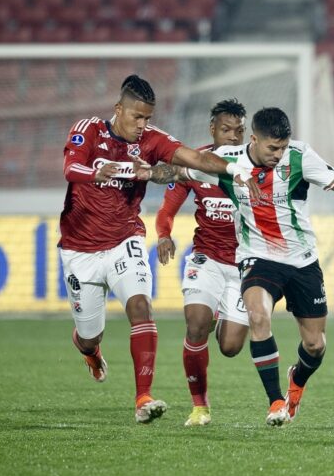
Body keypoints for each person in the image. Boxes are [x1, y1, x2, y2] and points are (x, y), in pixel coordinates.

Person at [59, 75, 254, 424]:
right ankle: (89, 350)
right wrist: (102, 171)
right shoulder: (88, 129)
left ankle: (143, 398)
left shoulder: (152, 140)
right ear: (119, 109)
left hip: (125, 240)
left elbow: (193, 159)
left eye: (147, 118)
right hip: (80, 248)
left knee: (141, 306)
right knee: (90, 334)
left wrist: (233, 170)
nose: (142, 125)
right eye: (136, 117)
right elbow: (71, 169)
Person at [184, 107, 334, 426]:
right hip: (259, 258)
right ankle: (275, 402)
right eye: (272, 148)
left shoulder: (299, 155)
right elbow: (182, 165)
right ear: (254, 139)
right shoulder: (229, 158)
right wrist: (145, 166)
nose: (279, 154)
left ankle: (297, 379)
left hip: (302, 261)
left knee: (315, 344)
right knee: (258, 316)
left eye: (283, 146)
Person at [155, 99, 250, 427]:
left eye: (240, 131)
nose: (234, 137)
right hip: (206, 258)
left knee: (230, 347)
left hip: (244, 266)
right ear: (213, 130)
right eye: (226, 130)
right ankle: (200, 407)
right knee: (195, 324)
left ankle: (221, 313)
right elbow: (167, 208)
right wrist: (164, 234)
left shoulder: (255, 166)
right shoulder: (194, 163)